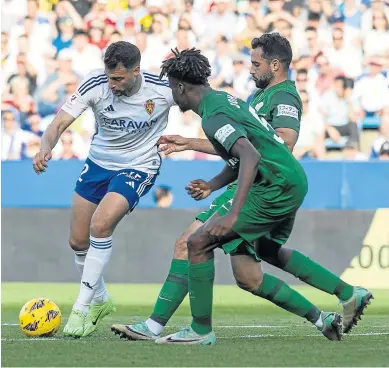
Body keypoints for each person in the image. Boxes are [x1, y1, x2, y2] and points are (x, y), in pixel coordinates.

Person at [111, 34, 371, 342]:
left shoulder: (280, 97)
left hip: (270, 184)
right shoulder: (236, 101)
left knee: (193, 243)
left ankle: (181, 328)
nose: (250, 69)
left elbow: (268, 147)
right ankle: (330, 311)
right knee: (253, 269)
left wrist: (234, 211)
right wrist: (211, 181)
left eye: (255, 63)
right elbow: (243, 149)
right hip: (275, 180)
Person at [32, 41, 175, 337]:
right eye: (109, 77)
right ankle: (100, 300)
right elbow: (58, 124)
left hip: (139, 164)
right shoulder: (96, 83)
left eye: (119, 79)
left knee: (101, 224)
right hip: (98, 164)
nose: (111, 84)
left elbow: (205, 102)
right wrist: (44, 148)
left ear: (136, 71)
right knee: (77, 241)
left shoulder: (163, 91)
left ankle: (81, 308)